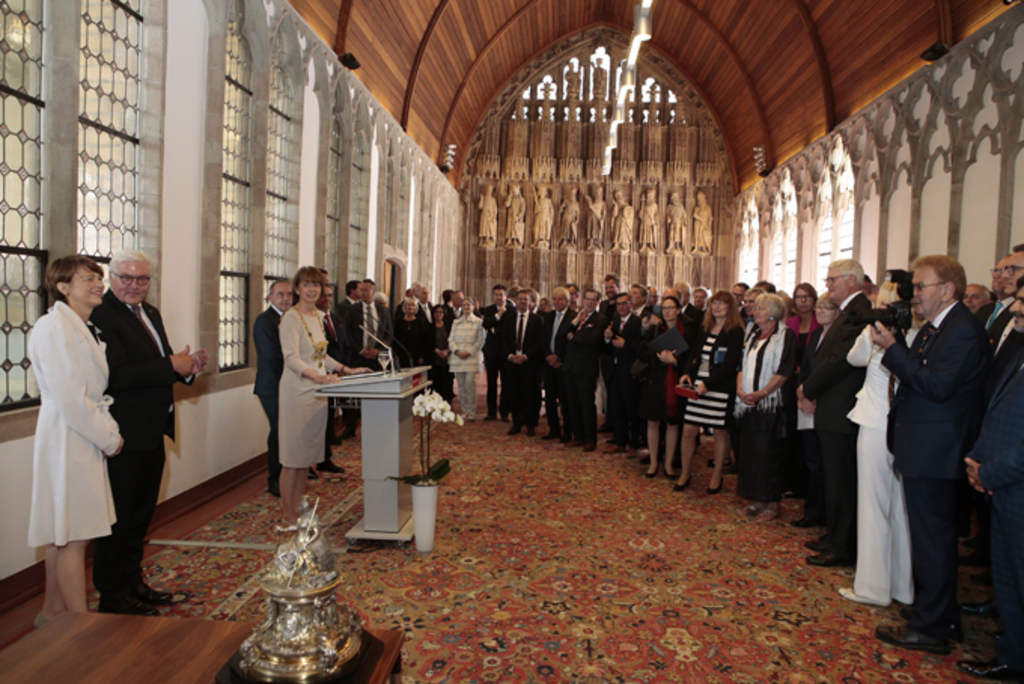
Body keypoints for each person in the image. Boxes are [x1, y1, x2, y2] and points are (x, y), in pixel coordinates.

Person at [871, 255, 990, 654]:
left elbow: (937, 386)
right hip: (923, 445)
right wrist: (900, 347)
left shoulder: (962, 331)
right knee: (929, 539)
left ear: (947, 290)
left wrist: (892, 350)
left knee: (933, 540)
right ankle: (938, 612)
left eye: (921, 286)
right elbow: (920, 372)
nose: (914, 294)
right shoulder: (938, 328)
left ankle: (932, 627)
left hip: (936, 450)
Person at [90, 249, 209, 616]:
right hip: (122, 434)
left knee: (140, 515)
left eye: (142, 279)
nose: (134, 285)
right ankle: (113, 595)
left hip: (153, 428)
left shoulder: (150, 312)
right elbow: (115, 376)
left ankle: (133, 583)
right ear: (111, 277)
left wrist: (186, 368)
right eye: (126, 277)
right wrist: (169, 364)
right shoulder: (101, 315)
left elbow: (161, 364)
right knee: (119, 519)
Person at [28, 256, 124, 626]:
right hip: (69, 433)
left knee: (63, 530)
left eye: (98, 278)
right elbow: (71, 397)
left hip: (79, 431)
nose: (98, 284)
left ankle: (52, 612)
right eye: (88, 279)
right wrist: (109, 438)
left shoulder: (81, 326)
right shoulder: (55, 327)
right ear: (63, 287)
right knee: (74, 536)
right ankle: (81, 627)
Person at [957, 285, 1024, 680]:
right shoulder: (1019, 350)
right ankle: (1013, 656)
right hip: (1002, 486)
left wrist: (990, 472)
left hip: (1012, 484)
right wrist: (979, 462)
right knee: (1010, 581)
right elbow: (998, 410)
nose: (1016, 307)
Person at [837, 282, 913, 608]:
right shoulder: (914, 331)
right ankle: (901, 586)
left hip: (875, 420)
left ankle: (872, 587)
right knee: (898, 507)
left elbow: (854, 358)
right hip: (902, 423)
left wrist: (870, 329)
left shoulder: (878, 335)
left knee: (873, 506)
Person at [797, 259, 872, 567]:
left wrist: (806, 389)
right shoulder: (850, 312)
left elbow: (839, 361)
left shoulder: (859, 312)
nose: (827, 286)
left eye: (832, 280)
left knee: (842, 480)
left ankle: (843, 545)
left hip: (842, 408)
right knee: (834, 478)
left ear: (851, 281)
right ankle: (835, 535)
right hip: (832, 406)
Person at [279, 267, 367, 526]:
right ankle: (288, 515)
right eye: (306, 285)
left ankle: (296, 509)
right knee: (293, 458)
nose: (312, 290)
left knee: (305, 458)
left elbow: (321, 355)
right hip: (297, 392)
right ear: (297, 289)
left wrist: (344, 368)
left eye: (316, 285)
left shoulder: (318, 316)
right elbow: (291, 358)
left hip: (318, 393)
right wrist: (317, 377)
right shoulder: (291, 319)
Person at [734, 294, 797, 520]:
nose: (754, 310)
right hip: (748, 404)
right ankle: (757, 500)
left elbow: (785, 371)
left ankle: (772, 503)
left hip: (771, 405)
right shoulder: (752, 334)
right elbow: (741, 365)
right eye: (755, 306)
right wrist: (741, 390)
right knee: (751, 453)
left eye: (760, 307)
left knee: (769, 454)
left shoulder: (785, 336)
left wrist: (762, 393)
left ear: (773, 313)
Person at [675, 291, 744, 493]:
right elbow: (695, 355)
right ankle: (685, 473)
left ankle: (716, 477)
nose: (717, 307)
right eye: (715, 303)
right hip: (698, 385)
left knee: (720, 433)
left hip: (720, 388)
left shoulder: (736, 331)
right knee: (688, 431)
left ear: (730, 307)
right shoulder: (705, 327)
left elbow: (731, 364)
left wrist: (709, 383)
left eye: (722, 303)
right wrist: (687, 374)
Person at [792, 294, 839, 528]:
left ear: (838, 312)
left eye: (826, 308)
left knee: (827, 464)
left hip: (827, 405)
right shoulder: (817, 335)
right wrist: (802, 394)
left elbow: (833, 373)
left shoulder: (839, 338)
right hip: (808, 404)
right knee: (813, 461)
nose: (819, 311)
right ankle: (812, 510)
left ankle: (826, 514)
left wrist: (812, 395)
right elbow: (806, 369)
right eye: (818, 307)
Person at [637, 295, 695, 477]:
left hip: (675, 381)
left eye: (671, 308)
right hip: (655, 380)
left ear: (679, 310)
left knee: (672, 424)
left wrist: (675, 361)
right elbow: (641, 351)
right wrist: (658, 356)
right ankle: (654, 462)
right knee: (653, 422)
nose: (667, 311)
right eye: (664, 308)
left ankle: (668, 463)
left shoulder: (688, 331)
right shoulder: (655, 329)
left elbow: (692, 358)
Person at [254, 279, 293, 497]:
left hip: (291, 384)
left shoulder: (293, 319)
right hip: (272, 385)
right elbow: (272, 355)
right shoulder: (265, 321)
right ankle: (274, 478)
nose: (285, 298)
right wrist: (300, 366)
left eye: (288, 294)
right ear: (270, 297)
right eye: (280, 294)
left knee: (289, 430)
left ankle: (292, 472)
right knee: (279, 430)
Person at [562, 288, 609, 451]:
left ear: (597, 302)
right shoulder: (579, 317)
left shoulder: (600, 319)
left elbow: (592, 340)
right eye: (587, 299)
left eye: (593, 300)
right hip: (570, 367)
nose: (589, 302)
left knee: (586, 404)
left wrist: (573, 337)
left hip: (586, 369)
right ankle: (579, 436)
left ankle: (590, 439)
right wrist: (574, 322)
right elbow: (563, 334)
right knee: (572, 404)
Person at [603, 292, 644, 455]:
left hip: (630, 372)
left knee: (631, 409)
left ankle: (634, 443)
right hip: (614, 371)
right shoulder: (614, 322)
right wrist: (606, 338)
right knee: (616, 407)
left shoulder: (638, 322)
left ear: (631, 304)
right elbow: (607, 348)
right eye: (618, 304)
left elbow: (642, 347)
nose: (621, 306)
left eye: (624, 303)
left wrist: (625, 344)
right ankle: (620, 441)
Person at [503, 289, 544, 436]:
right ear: (516, 301)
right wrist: (510, 355)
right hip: (512, 362)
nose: (522, 302)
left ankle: (531, 424)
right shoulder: (508, 318)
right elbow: (505, 340)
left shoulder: (537, 320)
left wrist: (526, 356)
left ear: (531, 302)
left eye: (526, 299)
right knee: (514, 394)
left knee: (530, 394)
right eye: (520, 299)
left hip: (530, 363)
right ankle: (517, 423)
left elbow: (539, 343)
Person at [541, 287, 576, 441]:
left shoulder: (574, 317)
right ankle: (553, 428)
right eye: (554, 299)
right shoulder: (547, 317)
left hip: (564, 365)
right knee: (549, 399)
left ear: (567, 301)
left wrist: (558, 358)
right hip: (549, 364)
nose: (556, 302)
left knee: (565, 399)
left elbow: (572, 343)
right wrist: (548, 356)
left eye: (560, 299)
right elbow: (542, 339)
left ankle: (567, 431)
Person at [481, 285, 513, 421]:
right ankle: (491, 411)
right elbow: (486, 325)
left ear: (506, 296)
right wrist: (498, 315)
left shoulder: (512, 310)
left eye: (501, 295)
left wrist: (496, 328)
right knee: (491, 382)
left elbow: (510, 328)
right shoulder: (488, 310)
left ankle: (505, 411)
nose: (499, 297)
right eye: (496, 295)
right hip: (491, 351)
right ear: (493, 296)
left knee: (506, 382)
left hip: (506, 351)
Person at [344, 279, 392, 371]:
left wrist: (379, 350)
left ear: (373, 292)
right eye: (361, 290)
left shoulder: (383, 310)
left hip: (378, 359)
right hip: (358, 358)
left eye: (366, 290)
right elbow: (347, 333)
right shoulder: (352, 310)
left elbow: (389, 333)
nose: (363, 293)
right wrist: (361, 351)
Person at [450, 297, 485, 419]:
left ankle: (472, 410)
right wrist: (457, 351)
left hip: (472, 357)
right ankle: (464, 410)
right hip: (458, 357)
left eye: (468, 305)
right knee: (461, 385)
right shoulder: (456, 322)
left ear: (473, 307)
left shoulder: (479, 322)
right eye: (464, 305)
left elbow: (481, 340)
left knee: (470, 384)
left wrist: (469, 352)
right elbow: (451, 339)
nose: (466, 307)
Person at [393, 297, 430, 369]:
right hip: (402, 354)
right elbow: (395, 339)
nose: (410, 307)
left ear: (416, 308)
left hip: (417, 355)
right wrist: (395, 354)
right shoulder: (398, 322)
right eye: (408, 305)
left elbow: (424, 340)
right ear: (404, 307)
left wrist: (422, 356)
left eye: (413, 305)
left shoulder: (421, 322)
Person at [429, 304, 455, 402]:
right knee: (435, 383)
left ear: (444, 314)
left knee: (447, 382)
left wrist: (447, 351)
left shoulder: (449, 326)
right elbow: (427, 342)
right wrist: (438, 351)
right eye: (436, 312)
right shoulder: (429, 327)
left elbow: (453, 340)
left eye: (441, 312)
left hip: (448, 357)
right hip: (434, 358)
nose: (438, 314)